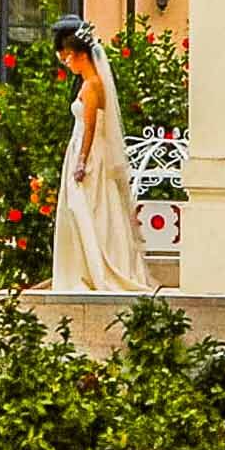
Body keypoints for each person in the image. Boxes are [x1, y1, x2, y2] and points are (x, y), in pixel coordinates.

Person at [46, 19, 139, 291]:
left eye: (69, 57)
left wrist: (82, 160)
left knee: (84, 208)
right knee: (86, 208)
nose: (67, 63)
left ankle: (92, 268)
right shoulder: (91, 84)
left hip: (88, 151)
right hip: (82, 148)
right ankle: (84, 266)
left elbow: (90, 127)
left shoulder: (91, 86)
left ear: (82, 55)